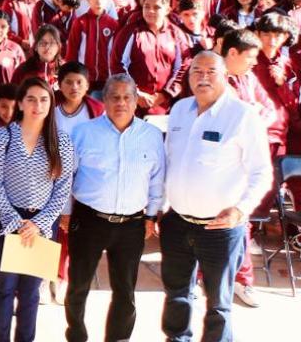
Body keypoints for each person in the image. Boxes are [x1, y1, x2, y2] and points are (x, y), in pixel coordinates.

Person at [160, 51, 271, 342]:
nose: (203, 77)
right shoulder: (180, 110)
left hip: (219, 229)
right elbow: (169, 161)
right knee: (176, 296)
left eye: (211, 71)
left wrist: (240, 209)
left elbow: (262, 172)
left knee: (218, 304)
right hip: (177, 222)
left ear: (225, 76)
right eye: (197, 71)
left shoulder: (243, 115)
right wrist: (160, 207)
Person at [63, 74, 164, 342]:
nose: (121, 103)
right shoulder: (83, 132)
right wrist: (64, 211)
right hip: (88, 220)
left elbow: (157, 179)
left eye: (127, 97)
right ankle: (76, 334)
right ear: (104, 100)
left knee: (125, 290)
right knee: (78, 285)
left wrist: (151, 215)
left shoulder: (151, 136)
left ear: (136, 101)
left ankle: (118, 338)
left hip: (131, 224)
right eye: (114, 97)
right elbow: (66, 176)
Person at [0, 77, 76, 342]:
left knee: (31, 292)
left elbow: (62, 188)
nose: (38, 105)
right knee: (5, 288)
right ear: (21, 103)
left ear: (51, 103)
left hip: (42, 224)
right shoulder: (5, 135)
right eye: (31, 99)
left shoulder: (61, 142)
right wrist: (15, 220)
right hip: (6, 220)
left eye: (44, 99)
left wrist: (38, 223)